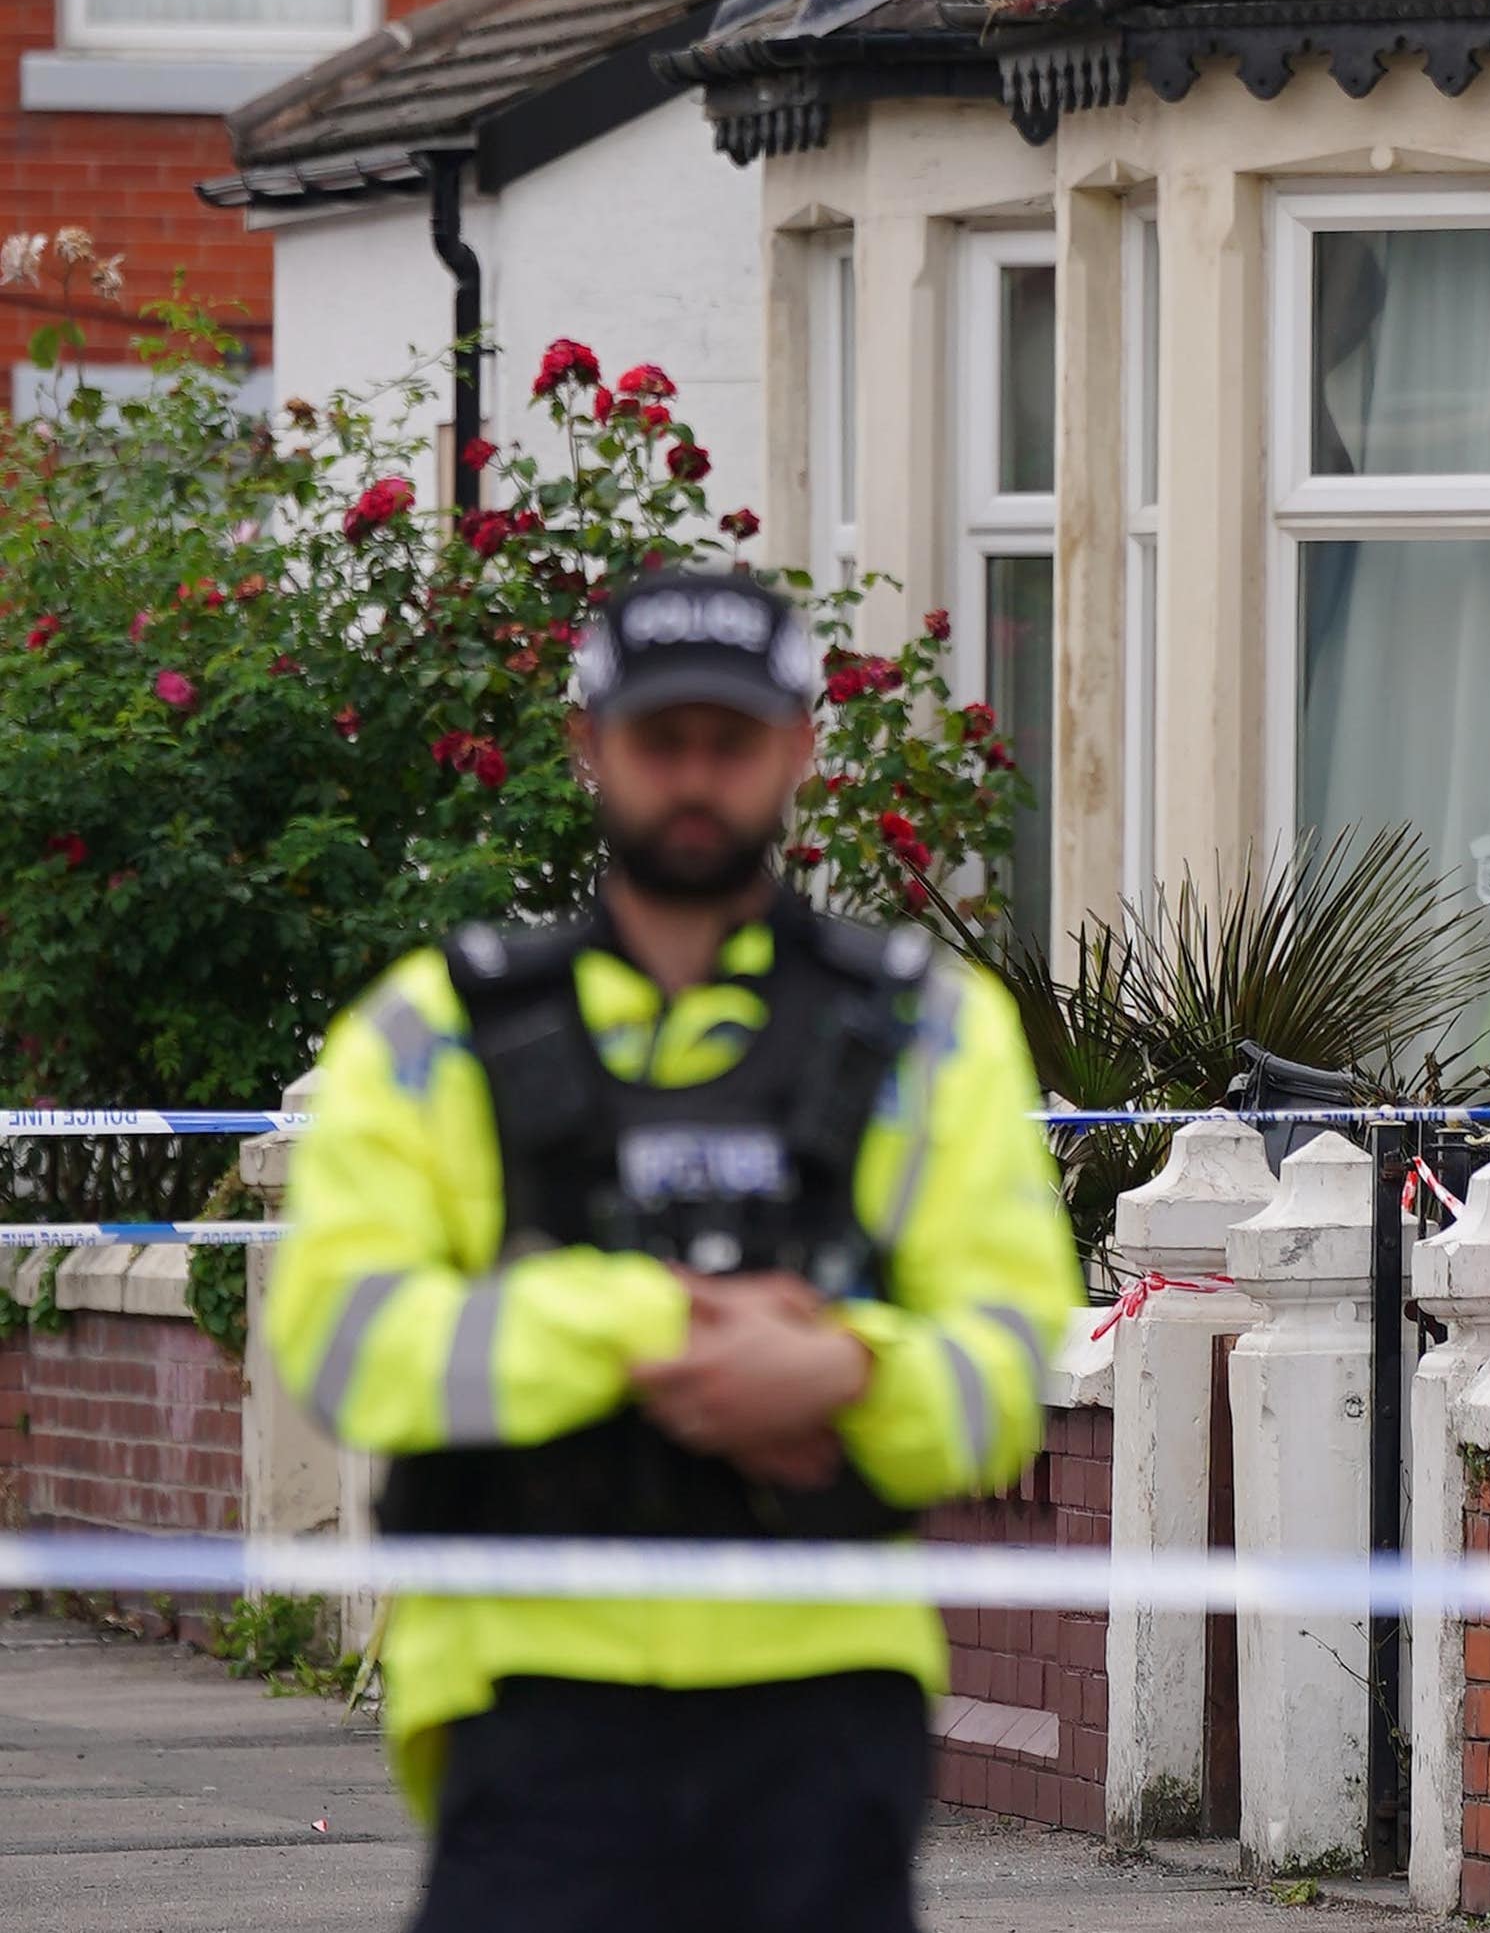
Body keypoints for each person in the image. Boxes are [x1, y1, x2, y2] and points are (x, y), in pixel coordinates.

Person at [268, 566, 1084, 1933]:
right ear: (589, 746)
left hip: (823, 1717)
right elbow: (344, 1342)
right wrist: (657, 1333)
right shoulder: (436, 1034)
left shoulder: (928, 1033)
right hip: (530, 1708)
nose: (695, 777)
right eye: (661, 742)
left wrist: (843, 1373)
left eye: (732, 741)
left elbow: (1007, 1364)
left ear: (800, 750)